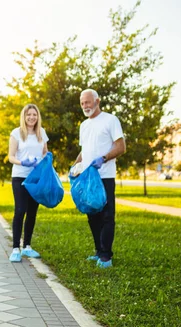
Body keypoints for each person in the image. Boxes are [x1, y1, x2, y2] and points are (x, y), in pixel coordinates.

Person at [72, 89, 126, 268]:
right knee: (92, 215)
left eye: (87, 102)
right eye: (82, 103)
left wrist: (103, 159)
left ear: (97, 101)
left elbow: (121, 146)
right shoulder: (84, 125)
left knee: (106, 216)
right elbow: (84, 150)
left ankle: (106, 256)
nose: (85, 106)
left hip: (104, 176)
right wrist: (75, 166)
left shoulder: (111, 120)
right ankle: (98, 251)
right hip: (88, 177)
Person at [7, 104, 49, 262]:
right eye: (28, 115)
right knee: (20, 211)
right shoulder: (16, 133)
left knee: (32, 212)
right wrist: (22, 162)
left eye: (35, 115)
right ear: (23, 117)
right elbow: (11, 156)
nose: (32, 117)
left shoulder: (41, 133)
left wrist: (44, 161)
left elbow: (45, 152)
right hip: (20, 177)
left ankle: (27, 246)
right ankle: (16, 248)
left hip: (36, 178)